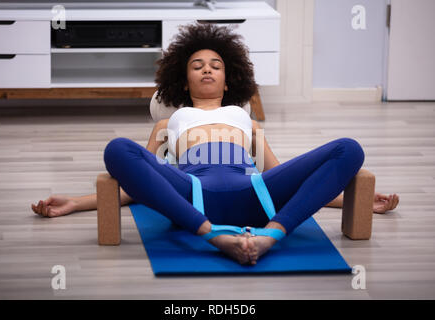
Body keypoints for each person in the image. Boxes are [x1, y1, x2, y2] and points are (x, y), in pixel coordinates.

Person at [31, 23, 399, 265]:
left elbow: (286, 180)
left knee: (348, 148)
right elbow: (142, 184)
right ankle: (215, 236)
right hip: (194, 194)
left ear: (227, 81)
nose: (207, 69)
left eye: (216, 65)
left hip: (257, 195)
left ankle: (272, 236)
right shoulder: (168, 121)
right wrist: (74, 203)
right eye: (197, 65)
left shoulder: (247, 121)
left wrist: (356, 199)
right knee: (118, 150)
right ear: (184, 81)